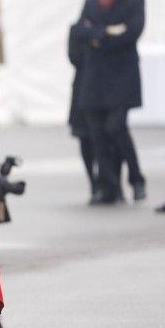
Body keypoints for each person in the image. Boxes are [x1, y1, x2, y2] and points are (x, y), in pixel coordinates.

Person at [71, 0, 146, 204]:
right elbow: (79, 31)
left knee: (116, 127)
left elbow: (132, 33)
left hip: (121, 79)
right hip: (94, 80)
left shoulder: (135, 1)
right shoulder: (91, 2)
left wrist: (96, 37)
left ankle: (136, 178)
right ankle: (109, 186)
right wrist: (108, 31)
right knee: (97, 133)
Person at [67, 24, 99, 202]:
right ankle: (94, 184)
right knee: (85, 137)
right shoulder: (79, 29)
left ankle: (107, 183)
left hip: (103, 91)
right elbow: (74, 56)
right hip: (82, 89)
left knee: (104, 139)